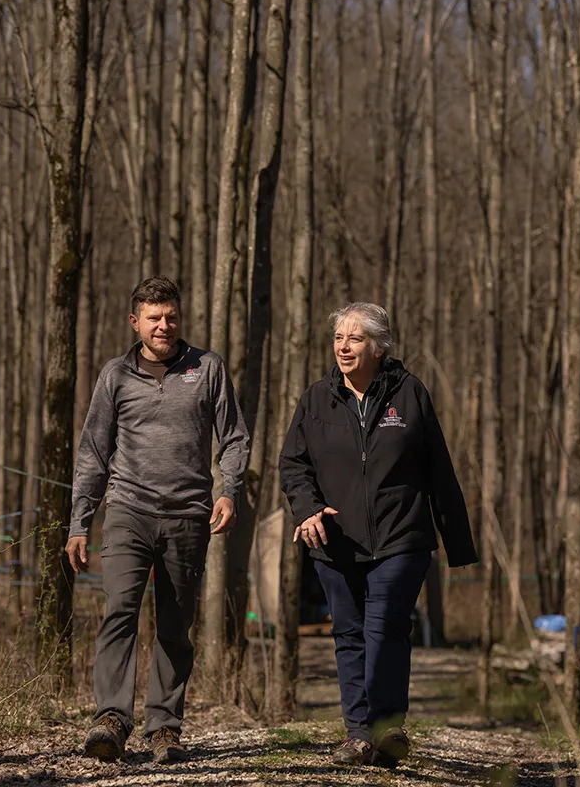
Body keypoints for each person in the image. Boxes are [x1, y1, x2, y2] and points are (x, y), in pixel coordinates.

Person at [279, 302, 477, 767]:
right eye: (339, 338)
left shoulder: (410, 394)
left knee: (386, 626)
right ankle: (358, 734)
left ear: (379, 346)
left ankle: (387, 728)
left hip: (401, 536)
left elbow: (439, 470)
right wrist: (307, 510)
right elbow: (293, 464)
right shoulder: (315, 399)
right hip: (336, 540)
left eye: (356, 338)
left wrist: (457, 543)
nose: (344, 347)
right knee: (348, 634)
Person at [67, 276, 250, 765]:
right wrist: (79, 523)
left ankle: (164, 729)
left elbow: (234, 438)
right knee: (120, 610)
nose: (163, 325)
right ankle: (111, 719)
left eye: (170, 316)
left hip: (190, 515)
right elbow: (92, 452)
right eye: (153, 318)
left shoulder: (207, 368)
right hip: (127, 510)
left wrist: (229, 492)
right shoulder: (115, 375)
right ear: (135, 322)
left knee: (173, 625)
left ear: (179, 317)